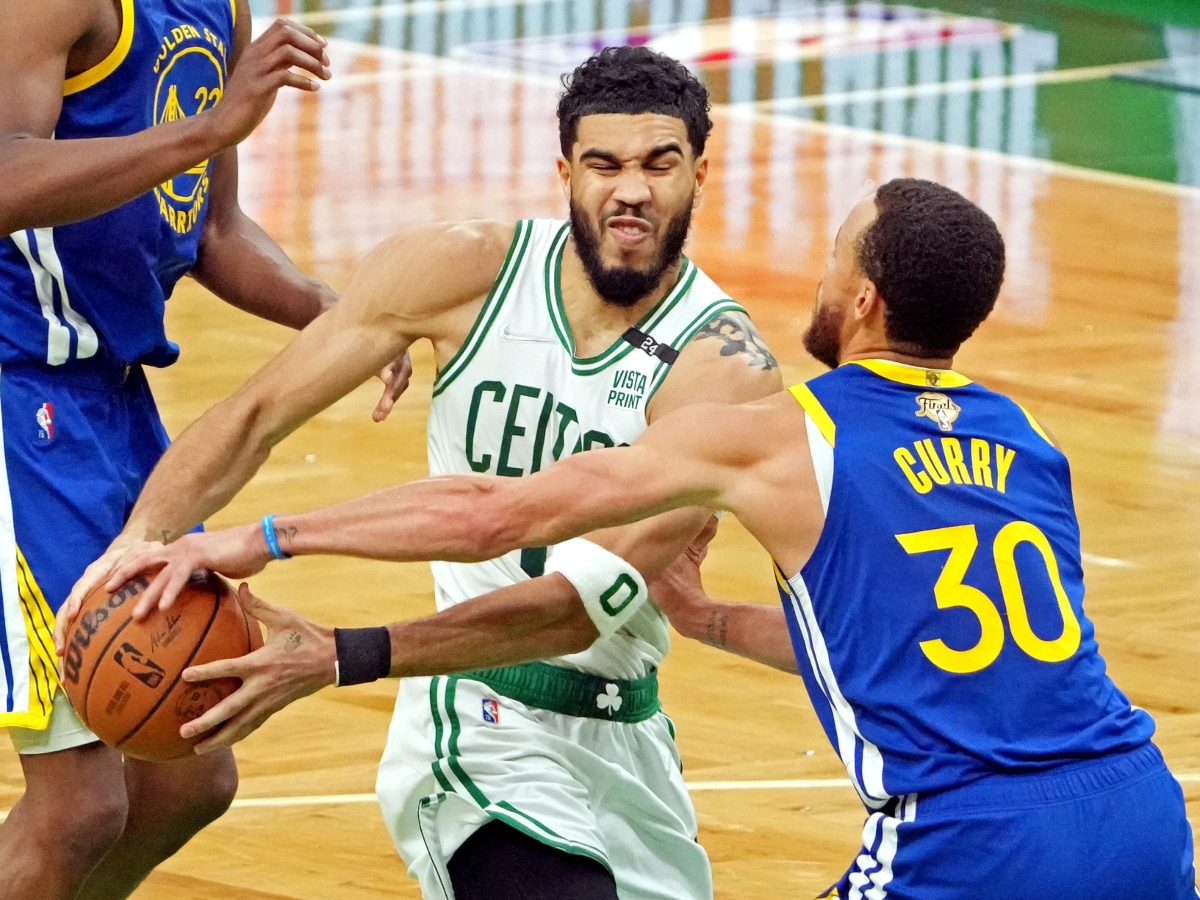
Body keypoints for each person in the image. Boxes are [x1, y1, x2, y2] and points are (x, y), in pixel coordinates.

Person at [113, 179, 1198, 900]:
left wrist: (268, 535)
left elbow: (499, 512)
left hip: (971, 841)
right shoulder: (1029, 442)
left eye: (832, 256)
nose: (820, 277)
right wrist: (709, 618)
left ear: (863, 298)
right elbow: (925, 643)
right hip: (1142, 811)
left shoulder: (787, 433)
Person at [61, 47, 783, 900]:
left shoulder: (723, 370)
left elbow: (569, 609)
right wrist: (142, 538)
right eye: (605, 164)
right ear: (565, 172)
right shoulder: (459, 270)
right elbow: (257, 413)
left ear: (700, 172)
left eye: (659, 164)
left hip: (629, 742)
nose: (632, 190)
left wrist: (332, 647)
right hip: (476, 720)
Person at [0, 2, 412, 897]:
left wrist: (336, 313)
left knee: (188, 776)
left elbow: (214, 230)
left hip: (109, 400)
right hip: (15, 393)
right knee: (79, 808)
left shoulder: (220, 9)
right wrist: (210, 126)